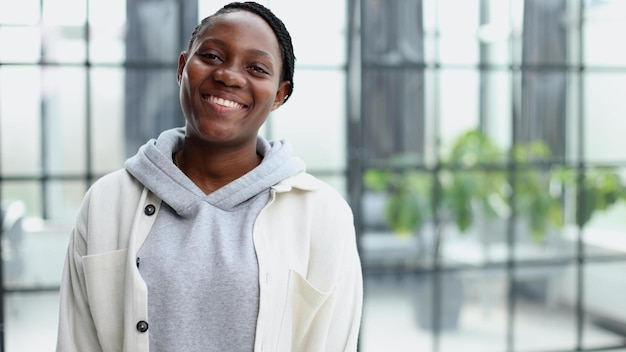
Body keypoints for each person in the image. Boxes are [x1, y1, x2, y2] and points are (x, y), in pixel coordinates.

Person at [55, 2, 363, 351]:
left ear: (280, 95)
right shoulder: (107, 202)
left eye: (257, 68)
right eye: (213, 56)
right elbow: (77, 340)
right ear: (183, 67)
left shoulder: (322, 215)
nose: (228, 75)